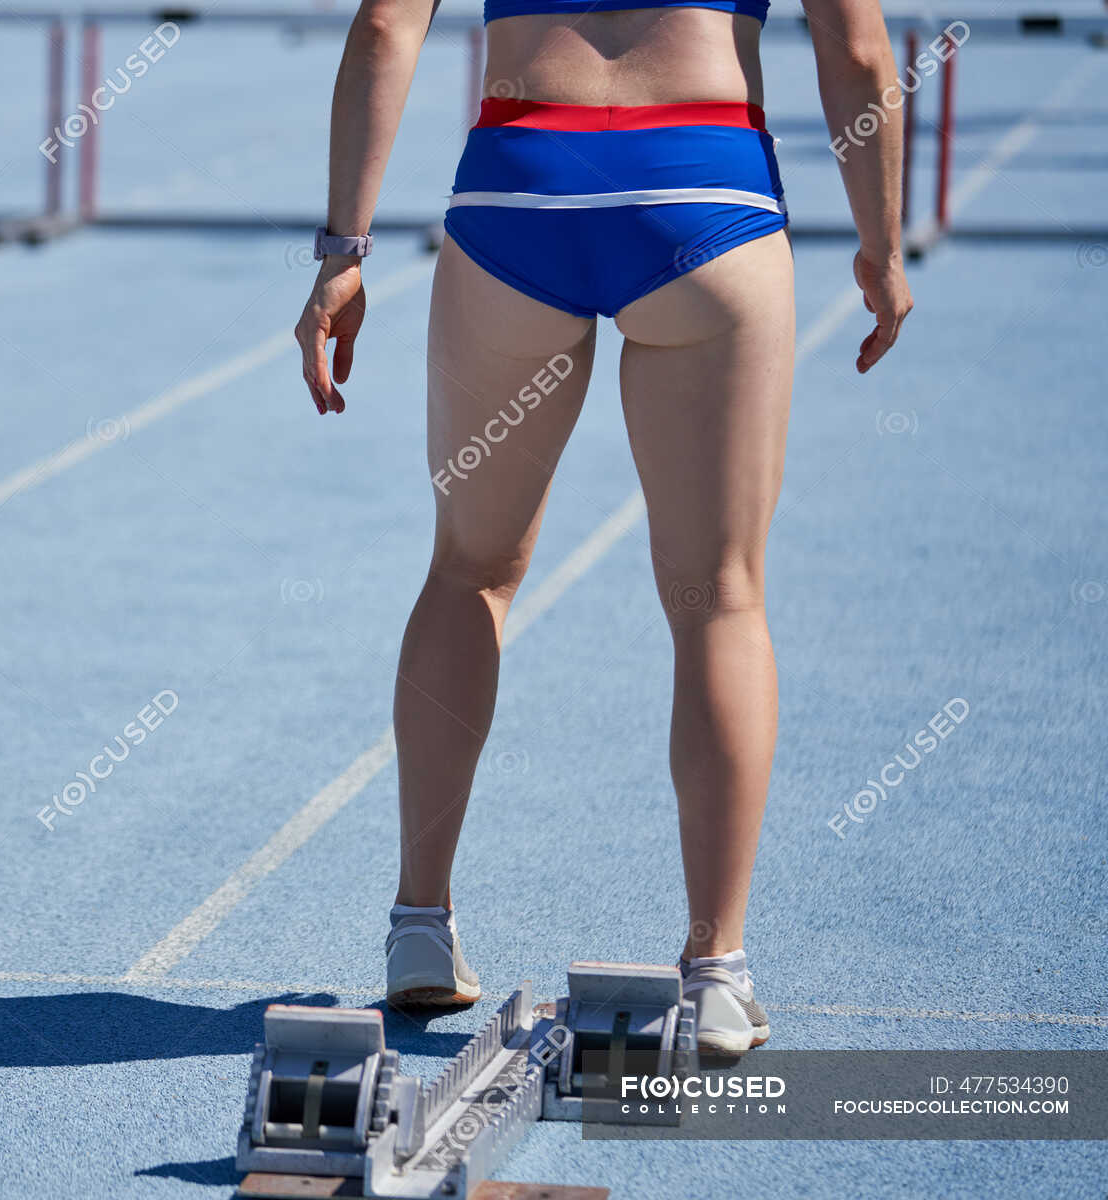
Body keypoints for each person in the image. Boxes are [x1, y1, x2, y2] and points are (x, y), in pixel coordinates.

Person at [295, 0, 911, 1052]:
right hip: (702, 178)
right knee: (721, 596)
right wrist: (882, 250)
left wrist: (343, 251)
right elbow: (854, 50)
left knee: (469, 571)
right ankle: (716, 971)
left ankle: (418, 928)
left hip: (519, 182)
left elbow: (383, 29)